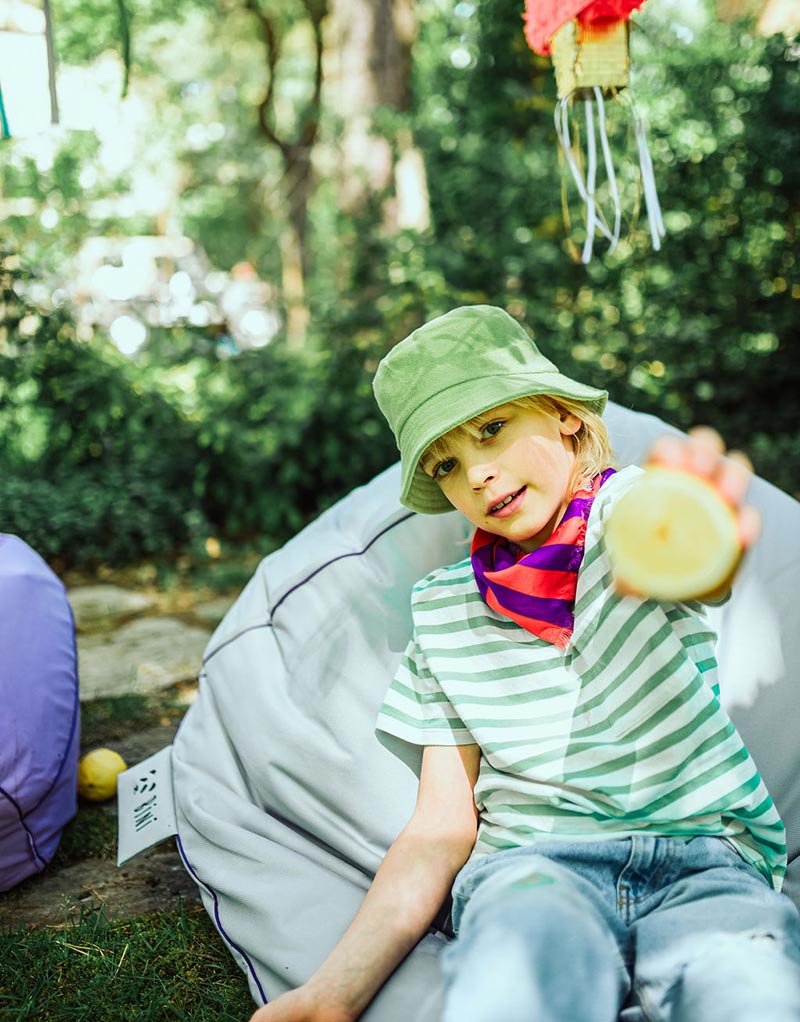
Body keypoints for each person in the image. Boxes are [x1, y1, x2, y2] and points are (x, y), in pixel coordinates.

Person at [249, 305, 800, 1022]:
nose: (476, 473)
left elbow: (691, 561)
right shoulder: (443, 613)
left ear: (563, 416)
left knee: (749, 992)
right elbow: (440, 827)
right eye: (446, 464)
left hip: (705, 861)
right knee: (512, 986)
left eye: (492, 429)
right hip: (536, 872)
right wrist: (331, 995)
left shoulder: (627, 516)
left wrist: (698, 534)